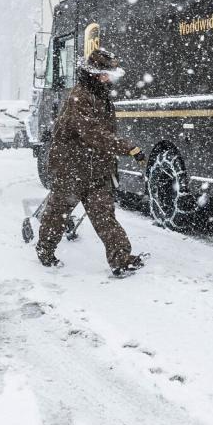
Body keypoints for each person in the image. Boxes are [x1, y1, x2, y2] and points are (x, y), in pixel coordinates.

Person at [36, 48, 146, 276]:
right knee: (57, 214)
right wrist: (128, 148)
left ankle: (121, 259)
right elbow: (93, 133)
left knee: (104, 216)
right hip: (71, 168)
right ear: (94, 74)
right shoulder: (80, 97)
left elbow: (101, 134)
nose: (110, 79)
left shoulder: (100, 95)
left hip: (95, 168)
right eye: (107, 74)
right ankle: (45, 252)